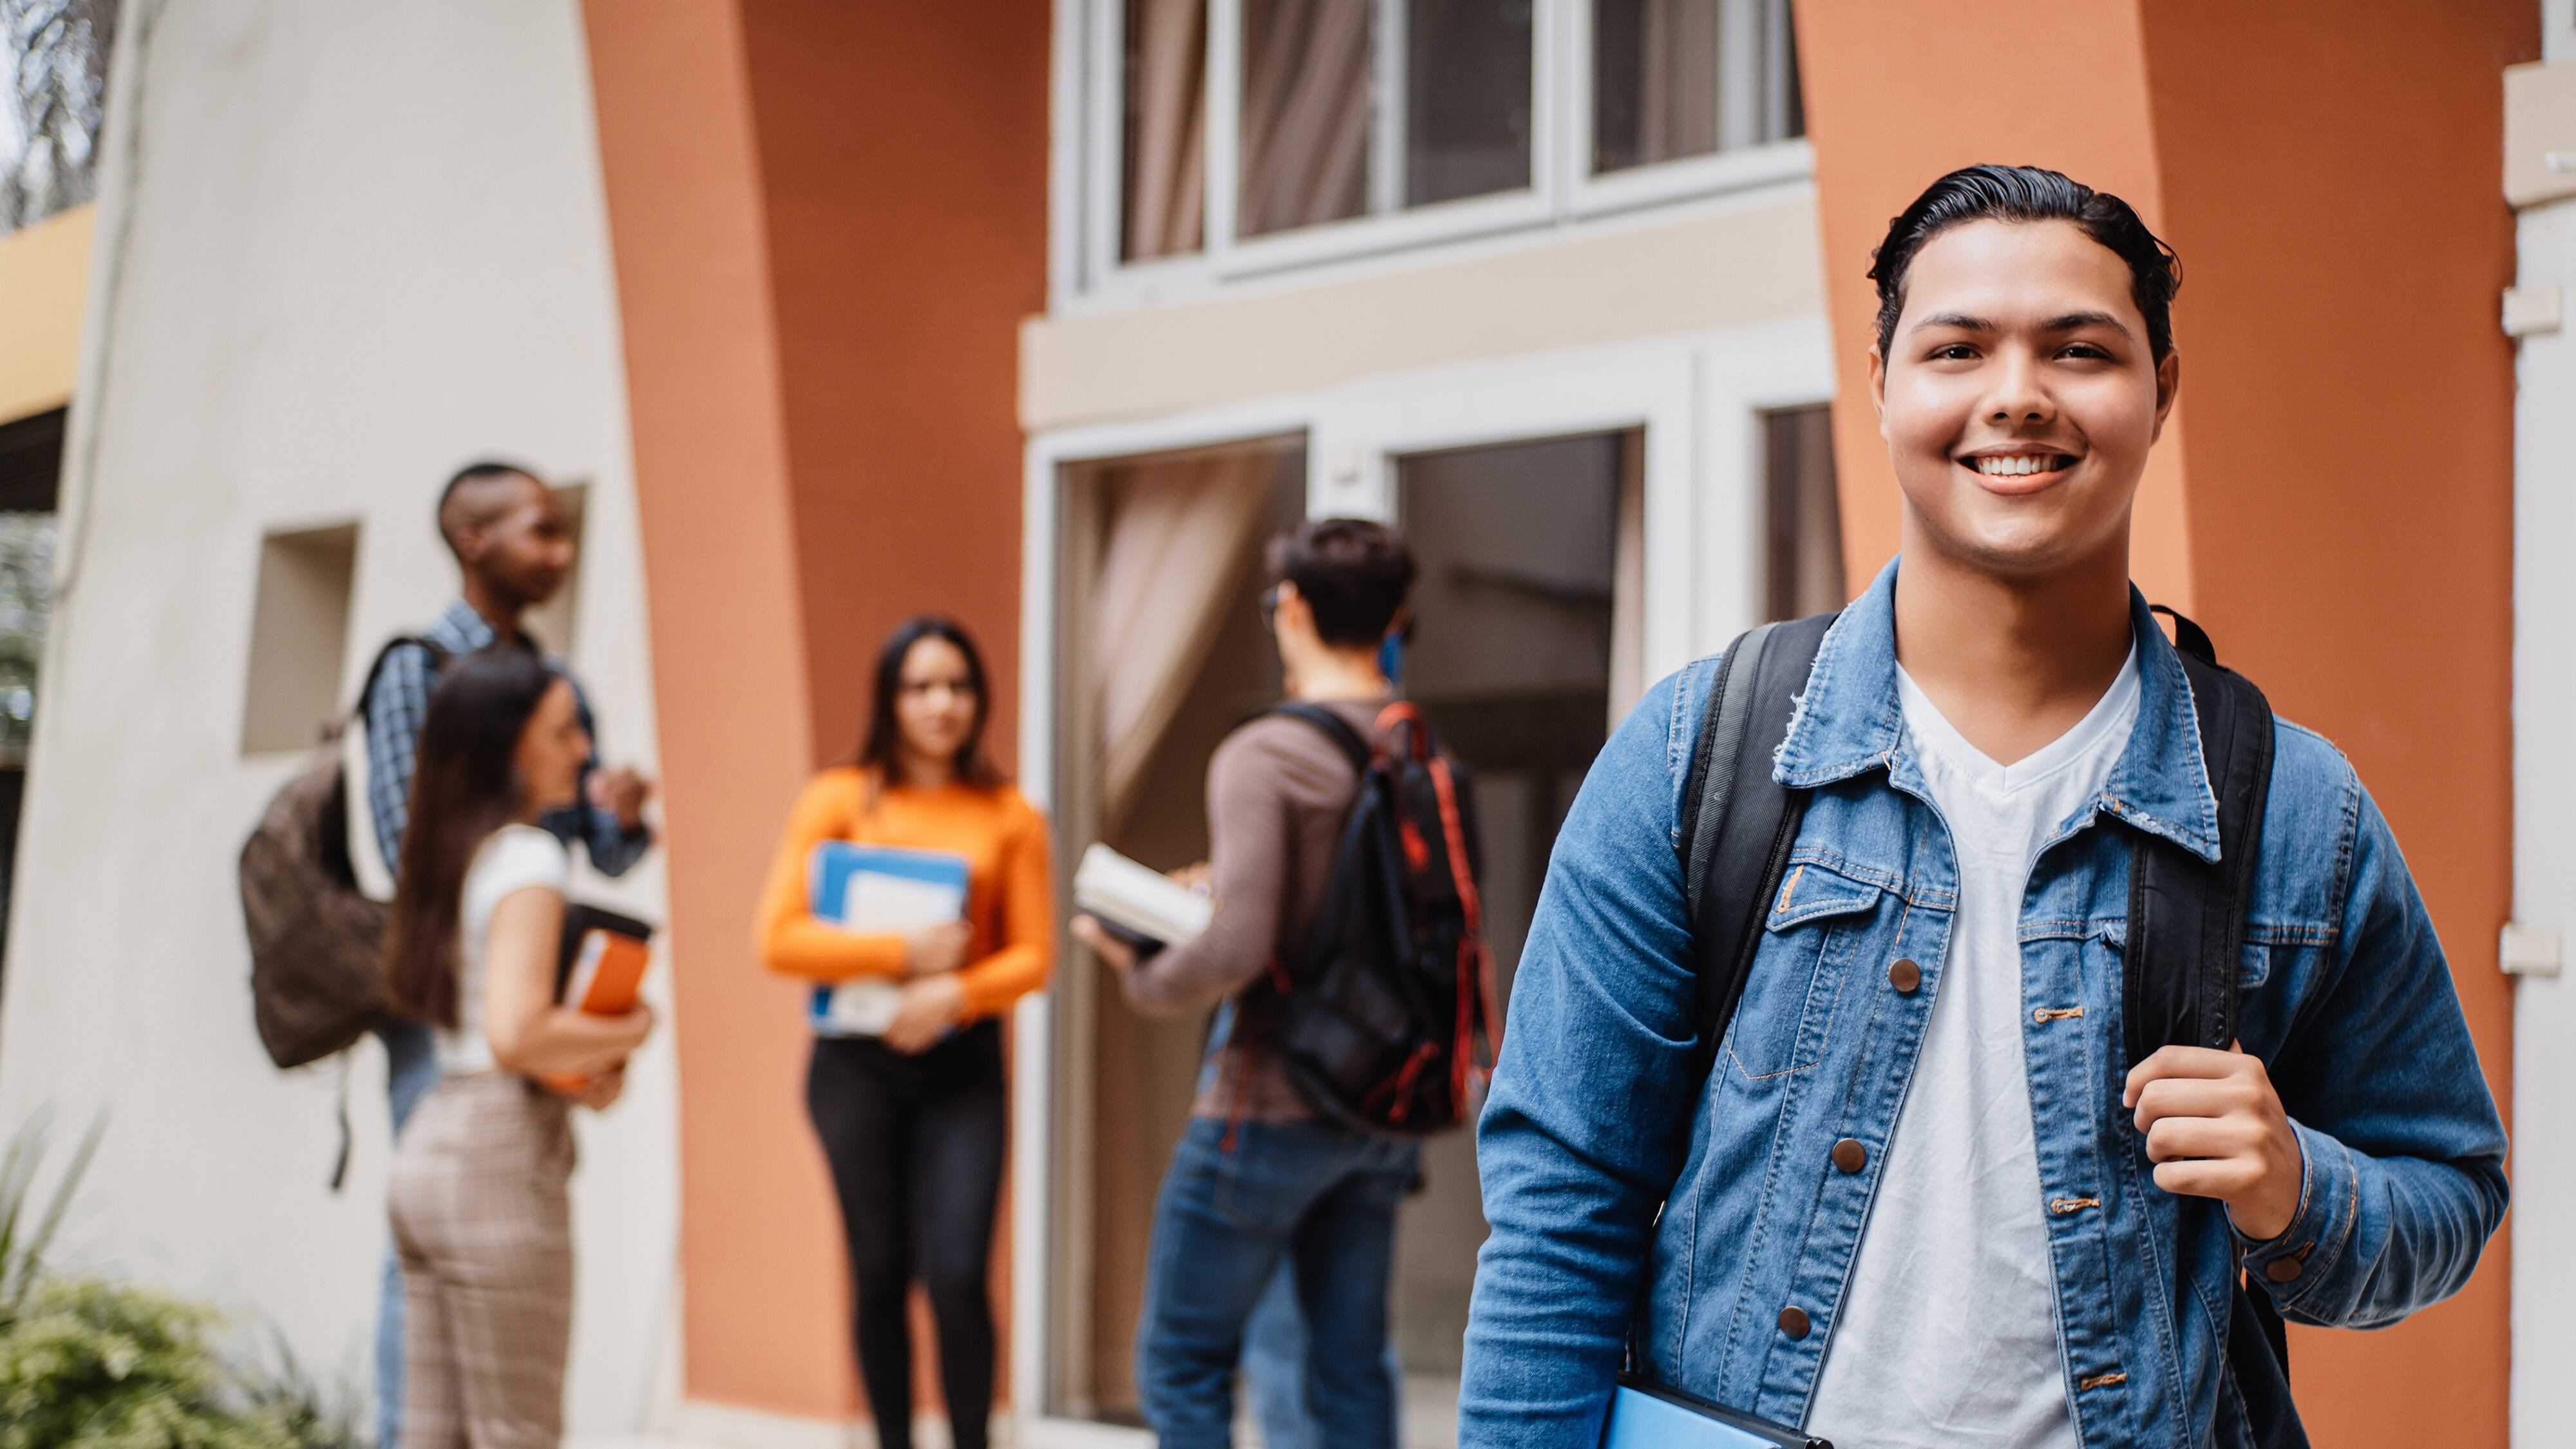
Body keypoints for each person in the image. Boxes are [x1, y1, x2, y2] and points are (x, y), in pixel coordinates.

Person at [1459, 165, 2508, 1449]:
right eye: (1957, 348)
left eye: (2079, 350)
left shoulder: (2295, 810)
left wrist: (2296, 1187)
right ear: (1880, 382)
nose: (2017, 394)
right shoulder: (1701, 755)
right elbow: (1559, 1216)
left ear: (2162, 391)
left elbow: (2449, 1192)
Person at [1072, 517, 1421, 1449]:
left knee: (1181, 1360)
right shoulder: (1420, 749)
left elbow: (1236, 947)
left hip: (1270, 1100)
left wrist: (1142, 974)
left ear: (1293, 608)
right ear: (1396, 617)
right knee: (1350, 1365)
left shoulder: (1266, 753)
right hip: (1383, 1107)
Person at [364, 460, 656, 1449]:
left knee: (435, 1434)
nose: (581, 752)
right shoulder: (524, 852)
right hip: (494, 1146)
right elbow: (519, 1030)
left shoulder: (471, 849)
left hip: (432, 1141)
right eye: (565, 733)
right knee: (516, 1433)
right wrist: (633, 1022)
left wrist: (620, 817)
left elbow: (594, 854)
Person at [755, 616, 1052, 1449]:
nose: (940, 704)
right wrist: (902, 954)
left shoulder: (1010, 813)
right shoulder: (837, 798)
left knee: (957, 1274)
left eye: (957, 686)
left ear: (980, 699)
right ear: (890, 698)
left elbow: (1034, 957)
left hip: (964, 1067)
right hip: (855, 1068)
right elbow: (777, 938)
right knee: (878, 1270)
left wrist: (955, 991)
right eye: (920, 687)